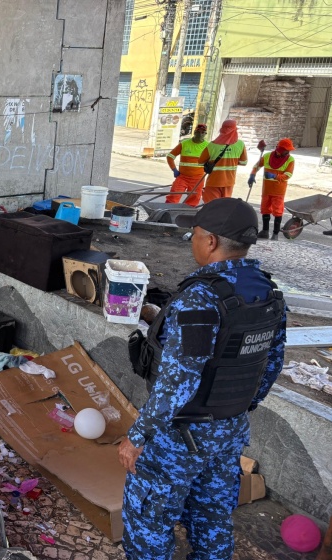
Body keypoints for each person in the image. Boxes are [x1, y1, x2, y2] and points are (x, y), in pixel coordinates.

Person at [121, 198, 286, 560]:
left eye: (194, 235)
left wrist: (138, 436)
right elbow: (272, 364)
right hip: (230, 430)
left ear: (210, 241)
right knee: (211, 519)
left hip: (180, 435)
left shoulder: (202, 297)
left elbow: (179, 382)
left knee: (150, 521)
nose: (193, 242)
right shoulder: (269, 293)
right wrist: (234, 410)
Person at [249, 138, 295, 241]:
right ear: (279, 149)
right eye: (286, 150)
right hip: (266, 189)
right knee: (265, 209)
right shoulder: (267, 156)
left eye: (288, 150)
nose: (288, 152)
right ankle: (265, 231)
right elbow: (257, 166)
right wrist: (252, 175)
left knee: (278, 211)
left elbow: (288, 175)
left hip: (279, 191)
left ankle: (275, 233)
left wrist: (274, 176)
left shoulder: (290, 160)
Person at [198, 120, 248, 203]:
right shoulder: (240, 144)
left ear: (221, 129)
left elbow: (200, 162)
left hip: (214, 181)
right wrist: (232, 161)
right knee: (224, 207)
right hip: (229, 182)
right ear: (235, 130)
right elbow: (244, 162)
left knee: (211, 207)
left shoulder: (212, 145)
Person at [165, 124, 209, 206]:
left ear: (205, 134)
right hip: (182, 177)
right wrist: (174, 170)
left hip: (198, 179)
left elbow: (212, 161)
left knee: (194, 199)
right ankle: (167, 212)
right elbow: (170, 156)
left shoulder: (208, 146)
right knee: (173, 196)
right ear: (194, 132)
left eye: (203, 132)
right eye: (198, 132)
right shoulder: (184, 143)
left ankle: (187, 214)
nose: (200, 134)